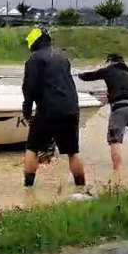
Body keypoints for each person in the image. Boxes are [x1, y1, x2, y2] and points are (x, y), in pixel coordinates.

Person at [22, 27, 86, 188]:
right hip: (71, 109)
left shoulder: (34, 59)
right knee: (73, 151)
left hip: (48, 110)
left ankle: (28, 189)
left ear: (33, 42)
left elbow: (30, 87)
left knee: (32, 148)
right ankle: (81, 186)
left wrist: (27, 111)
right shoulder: (63, 58)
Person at [78, 53, 128, 172]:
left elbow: (88, 76)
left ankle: (117, 173)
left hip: (120, 108)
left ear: (111, 62)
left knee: (114, 140)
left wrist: (77, 75)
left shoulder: (109, 70)